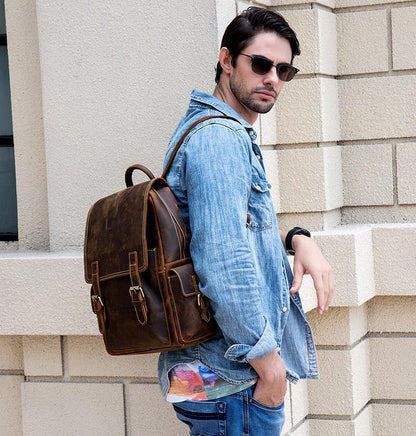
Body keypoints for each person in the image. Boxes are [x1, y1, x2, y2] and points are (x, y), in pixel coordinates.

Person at [158, 6, 335, 435]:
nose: (272, 78)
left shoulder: (205, 129)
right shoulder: (219, 138)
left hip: (202, 376)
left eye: (284, 70)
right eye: (260, 64)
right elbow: (223, 258)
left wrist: (296, 239)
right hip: (230, 378)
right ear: (226, 60)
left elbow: (237, 230)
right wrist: (268, 367)